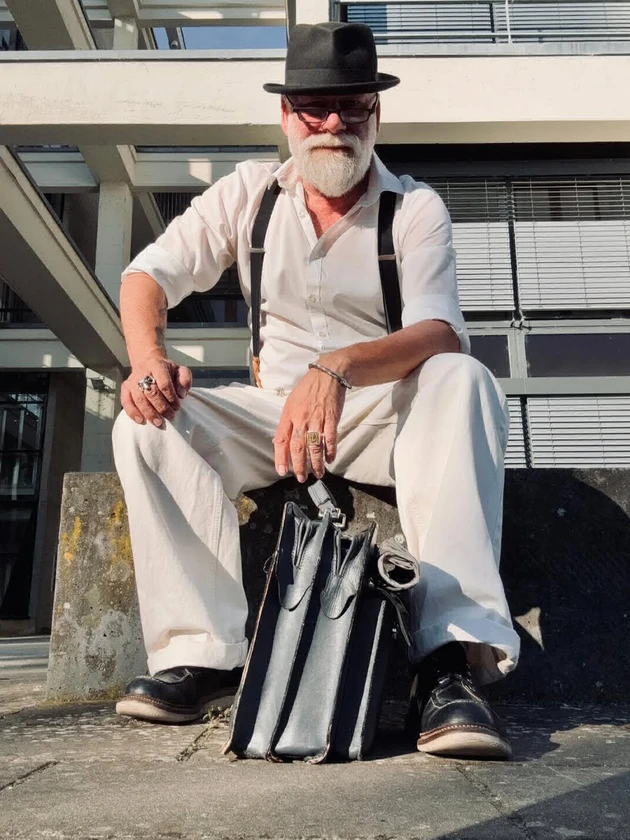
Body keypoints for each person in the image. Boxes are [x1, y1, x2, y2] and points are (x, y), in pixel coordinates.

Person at [112, 21, 520, 759]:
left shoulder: (414, 208)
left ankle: (447, 662)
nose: (333, 123)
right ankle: (203, 656)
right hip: (269, 413)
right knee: (145, 422)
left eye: (352, 106)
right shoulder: (247, 195)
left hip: (383, 412)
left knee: (462, 379)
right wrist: (148, 361)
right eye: (314, 108)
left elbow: (439, 331)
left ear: (375, 112)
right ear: (286, 114)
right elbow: (147, 275)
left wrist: (336, 371)